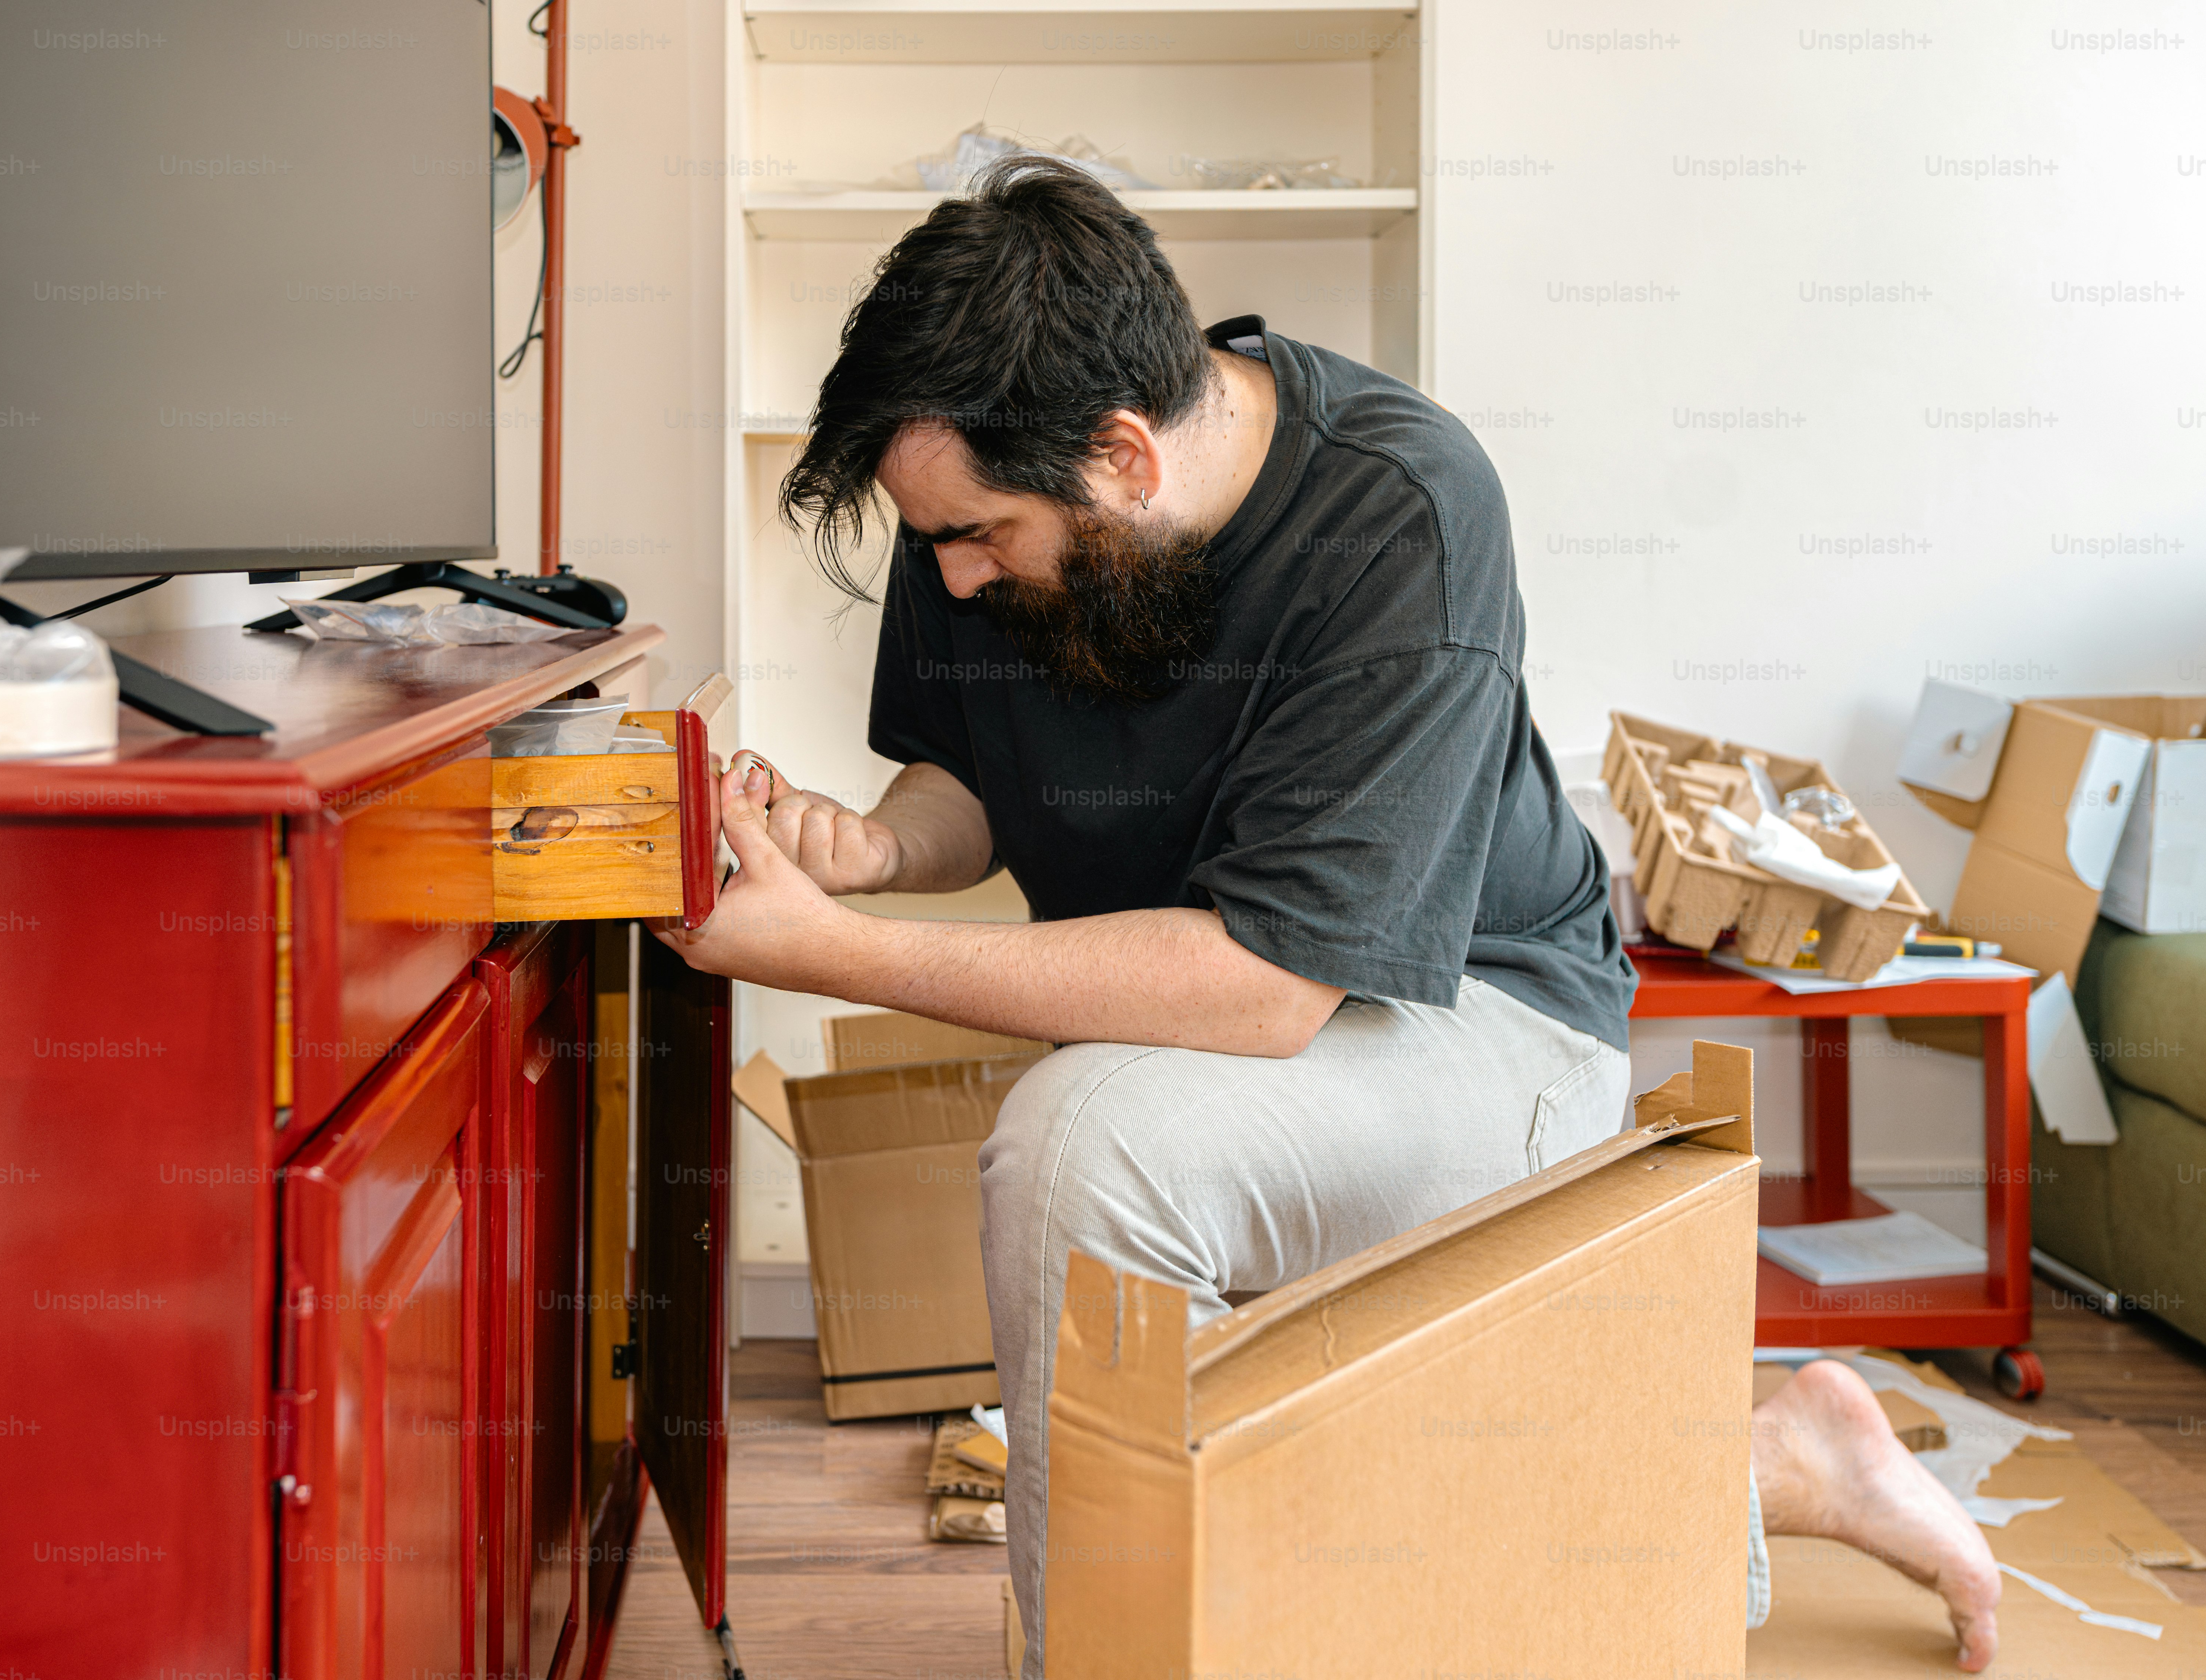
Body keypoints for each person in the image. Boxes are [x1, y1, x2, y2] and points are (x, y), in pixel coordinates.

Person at [657, 155, 2001, 1673]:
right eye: (937, 540)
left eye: (984, 537)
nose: (955, 577)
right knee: (1298, 1468)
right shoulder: (974, 493)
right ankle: (1775, 1454)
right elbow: (962, 774)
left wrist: (831, 955)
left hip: (1479, 1014)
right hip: (1203, 1012)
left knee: (1080, 1142)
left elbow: (1266, 985)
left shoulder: (1403, 510)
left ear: (1123, 458)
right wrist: (869, 856)